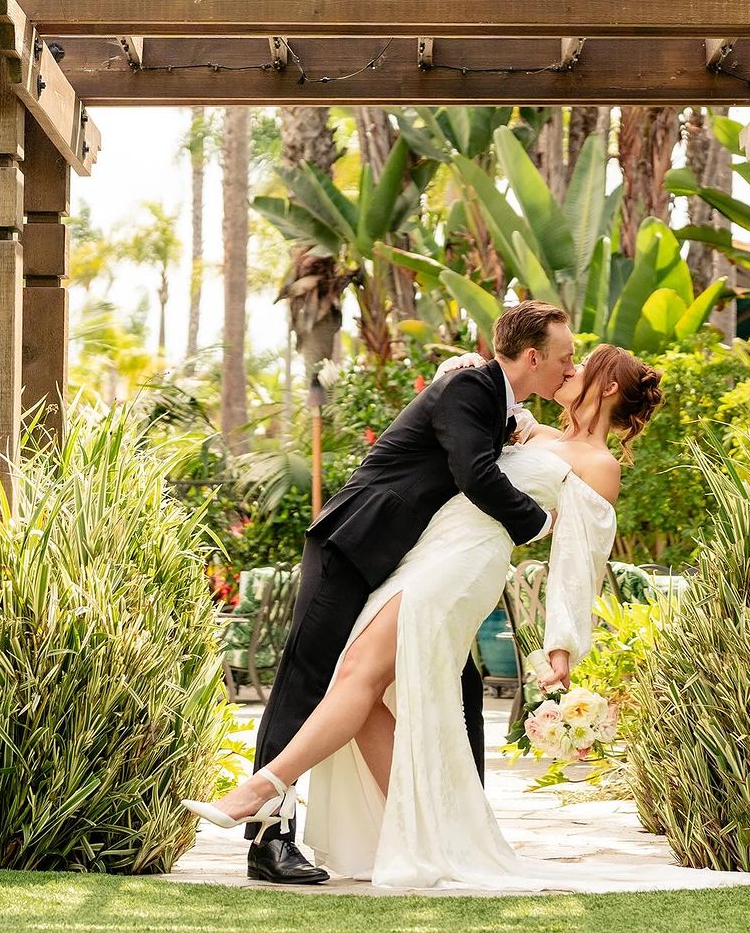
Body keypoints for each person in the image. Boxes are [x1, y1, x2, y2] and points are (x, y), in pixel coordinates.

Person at [184, 340, 663, 891]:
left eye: (582, 368)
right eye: (566, 359)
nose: (569, 370)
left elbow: (579, 562)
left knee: (357, 671)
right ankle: (421, 834)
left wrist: (562, 646)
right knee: (362, 686)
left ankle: (262, 790)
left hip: (463, 567)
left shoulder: (599, 466)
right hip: (423, 554)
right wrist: (458, 367)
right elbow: (484, 405)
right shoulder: (537, 433)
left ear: (606, 387)